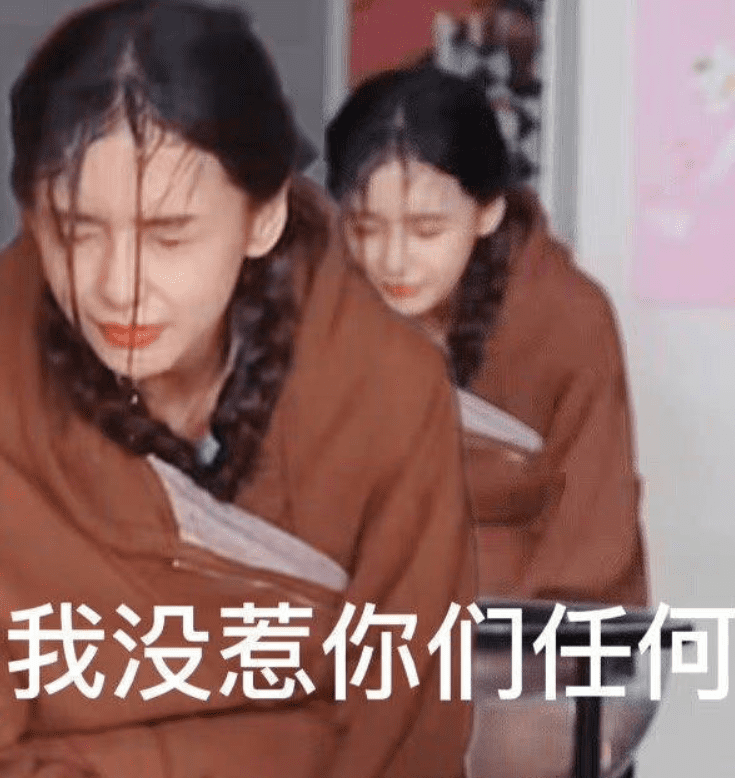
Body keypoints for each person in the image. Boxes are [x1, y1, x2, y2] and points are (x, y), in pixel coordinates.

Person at [0, 3, 474, 777]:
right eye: (76, 230)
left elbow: (407, 717)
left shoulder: (385, 389)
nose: (116, 286)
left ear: (263, 217)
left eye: (168, 235)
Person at [326, 66, 648, 606]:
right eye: (366, 228)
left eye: (426, 229)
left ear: (488, 210)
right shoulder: (327, 304)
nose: (393, 260)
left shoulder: (566, 316)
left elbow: (594, 517)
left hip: (521, 620)